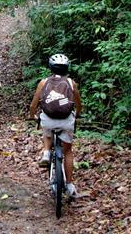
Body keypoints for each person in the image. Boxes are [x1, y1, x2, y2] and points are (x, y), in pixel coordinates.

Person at [29, 54, 82, 197]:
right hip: (66, 121)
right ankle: (70, 185)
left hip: (48, 120)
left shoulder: (43, 82)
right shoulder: (71, 83)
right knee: (68, 151)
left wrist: (32, 115)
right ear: (66, 68)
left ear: (51, 68)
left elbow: (34, 104)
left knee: (46, 131)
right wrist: (76, 115)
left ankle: (46, 152)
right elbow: (78, 104)